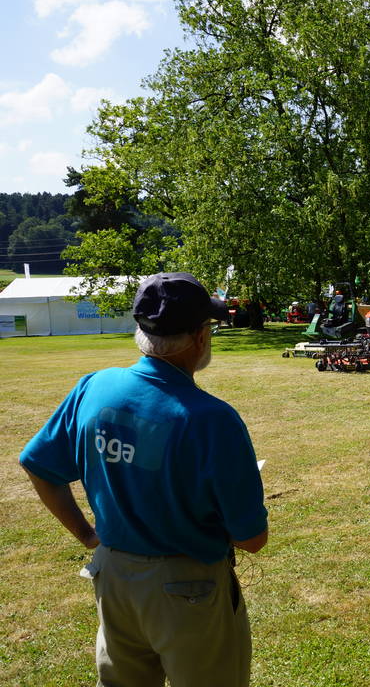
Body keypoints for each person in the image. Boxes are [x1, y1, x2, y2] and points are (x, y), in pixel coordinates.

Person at [18, 272, 269, 687]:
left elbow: (38, 465)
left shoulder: (93, 387)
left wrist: (86, 535)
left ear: (141, 329)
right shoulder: (212, 419)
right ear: (199, 338)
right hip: (190, 591)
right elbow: (252, 538)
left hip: (113, 577)